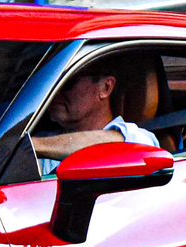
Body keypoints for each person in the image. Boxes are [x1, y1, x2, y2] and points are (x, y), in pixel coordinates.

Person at [29, 59, 164, 169]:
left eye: (67, 83)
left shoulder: (138, 139)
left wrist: (33, 146)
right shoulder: (43, 139)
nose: (55, 93)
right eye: (52, 86)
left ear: (106, 87)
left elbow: (111, 145)